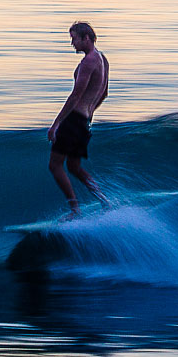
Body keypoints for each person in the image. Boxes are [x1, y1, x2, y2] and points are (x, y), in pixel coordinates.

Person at [48, 21, 109, 219]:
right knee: (74, 167)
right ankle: (105, 201)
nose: (72, 43)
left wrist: (56, 123)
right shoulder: (103, 59)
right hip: (84, 122)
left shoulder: (88, 61)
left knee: (55, 165)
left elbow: (76, 95)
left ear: (86, 38)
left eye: (74, 38)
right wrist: (89, 113)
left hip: (74, 120)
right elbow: (104, 93)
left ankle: (75, 210)